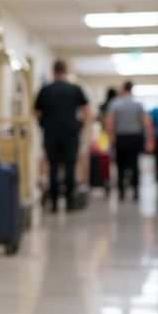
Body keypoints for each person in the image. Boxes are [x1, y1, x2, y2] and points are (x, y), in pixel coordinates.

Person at [32, 60, 90, 212]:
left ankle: (54, 202)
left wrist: (44, 124)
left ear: (53, 71)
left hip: (51, 134)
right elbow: (86, 111)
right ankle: (70, 201)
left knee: (53, 167)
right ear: (66, 71)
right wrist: (80, 126)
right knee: (70, 166)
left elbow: (36, 113)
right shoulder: (75, 89)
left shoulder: (45, 90)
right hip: (70, 134)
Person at [102, 81, 153, 201]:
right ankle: (136, 192)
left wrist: (111, 137)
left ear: (123, 89)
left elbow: (108, 122)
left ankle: (121, 192)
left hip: (121, 138)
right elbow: (146, 122)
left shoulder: (115, 104)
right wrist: (149, 139)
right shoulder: (138, 105)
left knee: (120, 165)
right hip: (136, 137)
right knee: (135, 165)